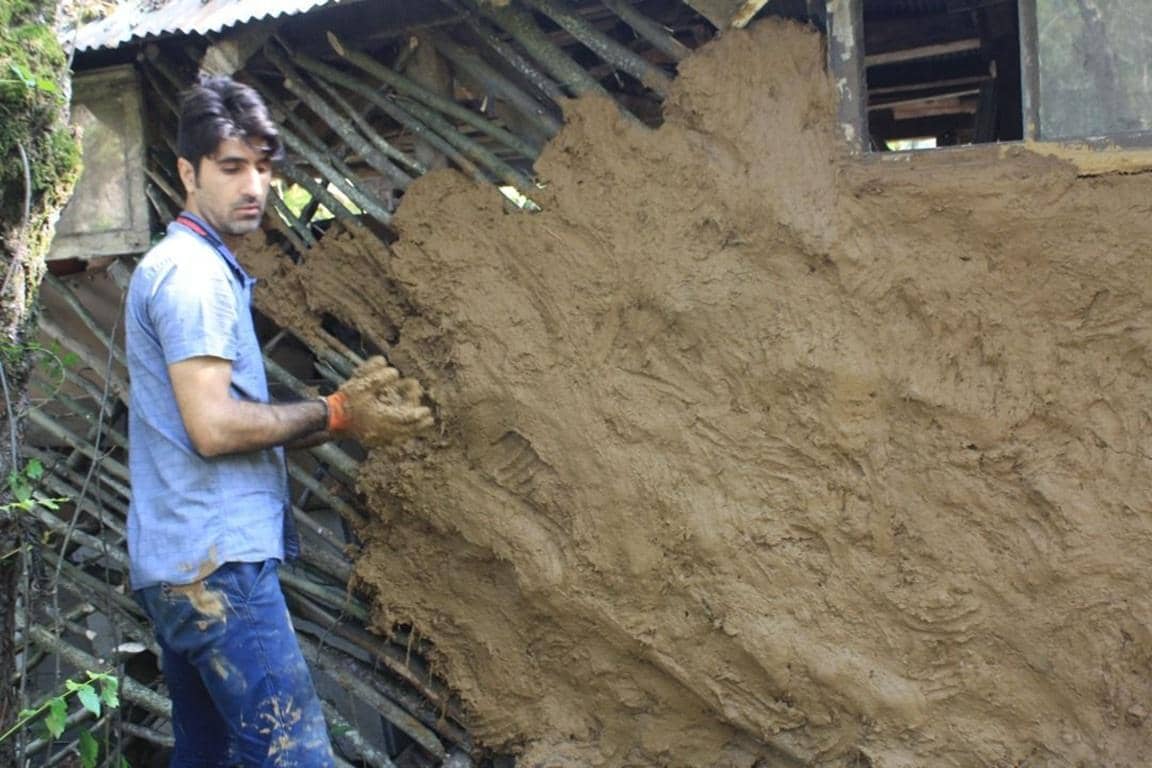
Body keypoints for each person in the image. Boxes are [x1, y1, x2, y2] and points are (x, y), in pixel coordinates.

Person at [125, 73, 432, 766]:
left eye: (263, 168)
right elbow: (213, 427)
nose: (254, 186)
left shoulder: (189, 266)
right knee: (297, 756)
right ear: (187, 171)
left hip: (179, 567)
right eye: (232, 168)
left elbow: (223, 422)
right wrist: (336, 409)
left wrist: (342, 422)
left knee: (208, 757)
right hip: (218, 571)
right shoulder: (194, 277)